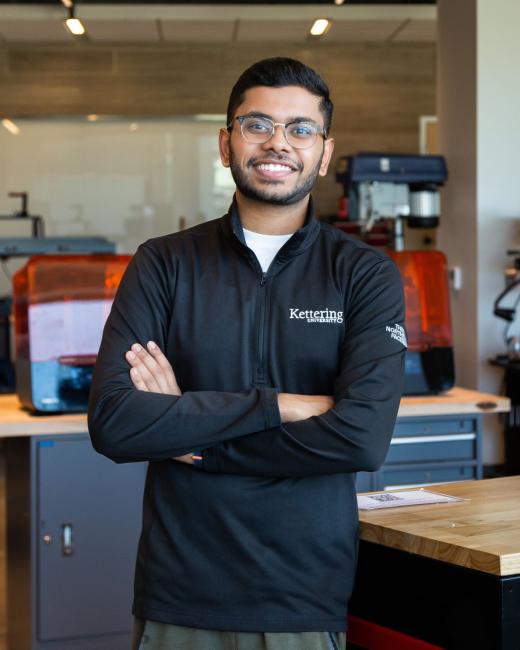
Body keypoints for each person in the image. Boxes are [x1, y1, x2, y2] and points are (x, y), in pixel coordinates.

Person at [88, 57, 406, 650]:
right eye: (257, 124)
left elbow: (362, 437)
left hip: (304, 597)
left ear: (324, 150)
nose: (277, 143)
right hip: (179, 592)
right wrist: (286, 405)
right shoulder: (164, 263)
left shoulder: (364, 274)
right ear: (226, 141)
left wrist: (192, 435)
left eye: (299, 128)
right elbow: (115, 423)